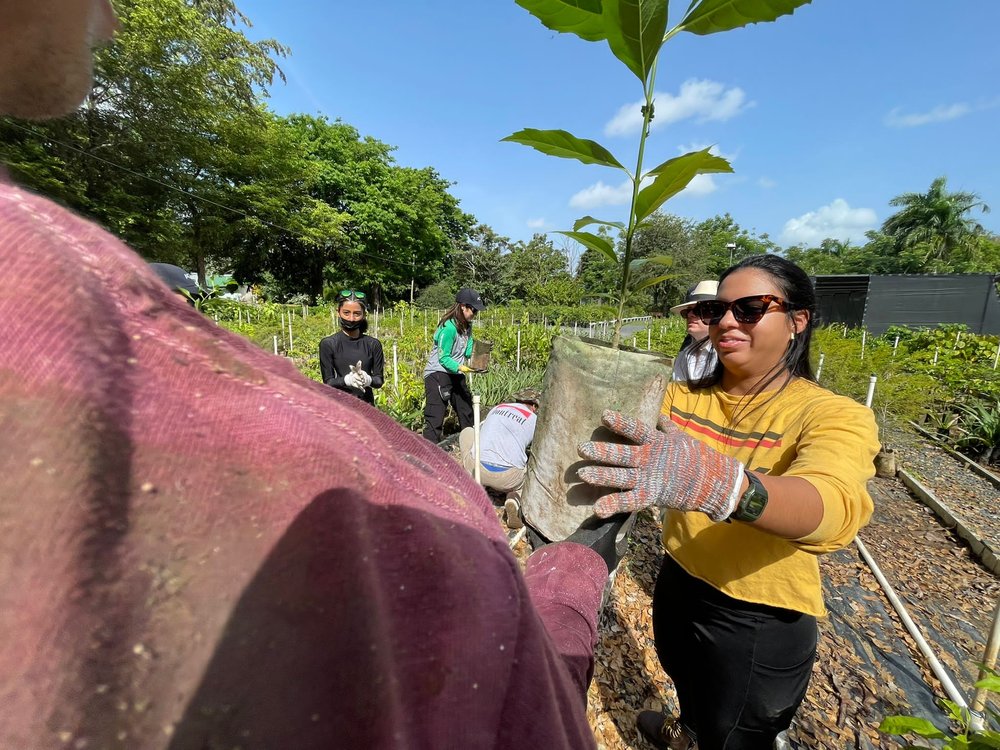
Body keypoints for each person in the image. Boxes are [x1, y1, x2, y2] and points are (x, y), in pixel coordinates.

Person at [0, 4, 611, 747]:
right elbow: (439, 361)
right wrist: (414, 384)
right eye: (351, 313)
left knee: (443, 410)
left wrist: (389, 387)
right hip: (384, 394)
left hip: (373, 402)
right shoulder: (375, 352)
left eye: (359, 316)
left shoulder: (415, 340)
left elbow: (406, 367)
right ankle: (445, 439)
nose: (110, 17)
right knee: (438, 408)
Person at [578, 255, 880, 750]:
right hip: (680, 577)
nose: (727, 322)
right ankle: (685, 731)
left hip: (756, 612)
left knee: (738, 731)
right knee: (684, 679)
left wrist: (726, 486)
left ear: (797, 322)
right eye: (719, 309)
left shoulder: (829, 414)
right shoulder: (681, 398)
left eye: (751, 309)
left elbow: (833, 508)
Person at [460, 387, 541, 527]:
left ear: (516, 400)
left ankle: (472, 482)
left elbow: (482, 431)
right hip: (507, 479)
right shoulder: (534, 420)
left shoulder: (498, 407)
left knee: (467, 432)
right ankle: (514, 500)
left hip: (477, 469)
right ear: (534, 406)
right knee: (531, 474)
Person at [422, 287, 485, 442]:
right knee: (435, 415)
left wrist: (480, 353)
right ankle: (430, 451)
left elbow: (468, 352)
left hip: (455, 372)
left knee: (466, 409)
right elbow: (443, 358)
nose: (475, 314)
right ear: (463, 306)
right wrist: (461, 367)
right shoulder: (448, 328)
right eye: (473, 310)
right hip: (437, 373)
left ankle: (471, 444)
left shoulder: (467, 326)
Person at [318, 289, 384, 405]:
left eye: (357, 314)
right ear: (338, 312)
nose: (351, 318)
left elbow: (378, 380)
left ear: (364, 314)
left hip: (367, 406)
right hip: (340, 407)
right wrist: (346, 380)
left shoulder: (373, 344)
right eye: (346, 313)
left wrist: (368, 379)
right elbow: (328, 382)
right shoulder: (329, 344)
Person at [669, 279, 719, 383]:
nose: (690, 315)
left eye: (700, 310)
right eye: (687, 311)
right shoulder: (685, 350)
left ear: (718, 313)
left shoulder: (725, 354)